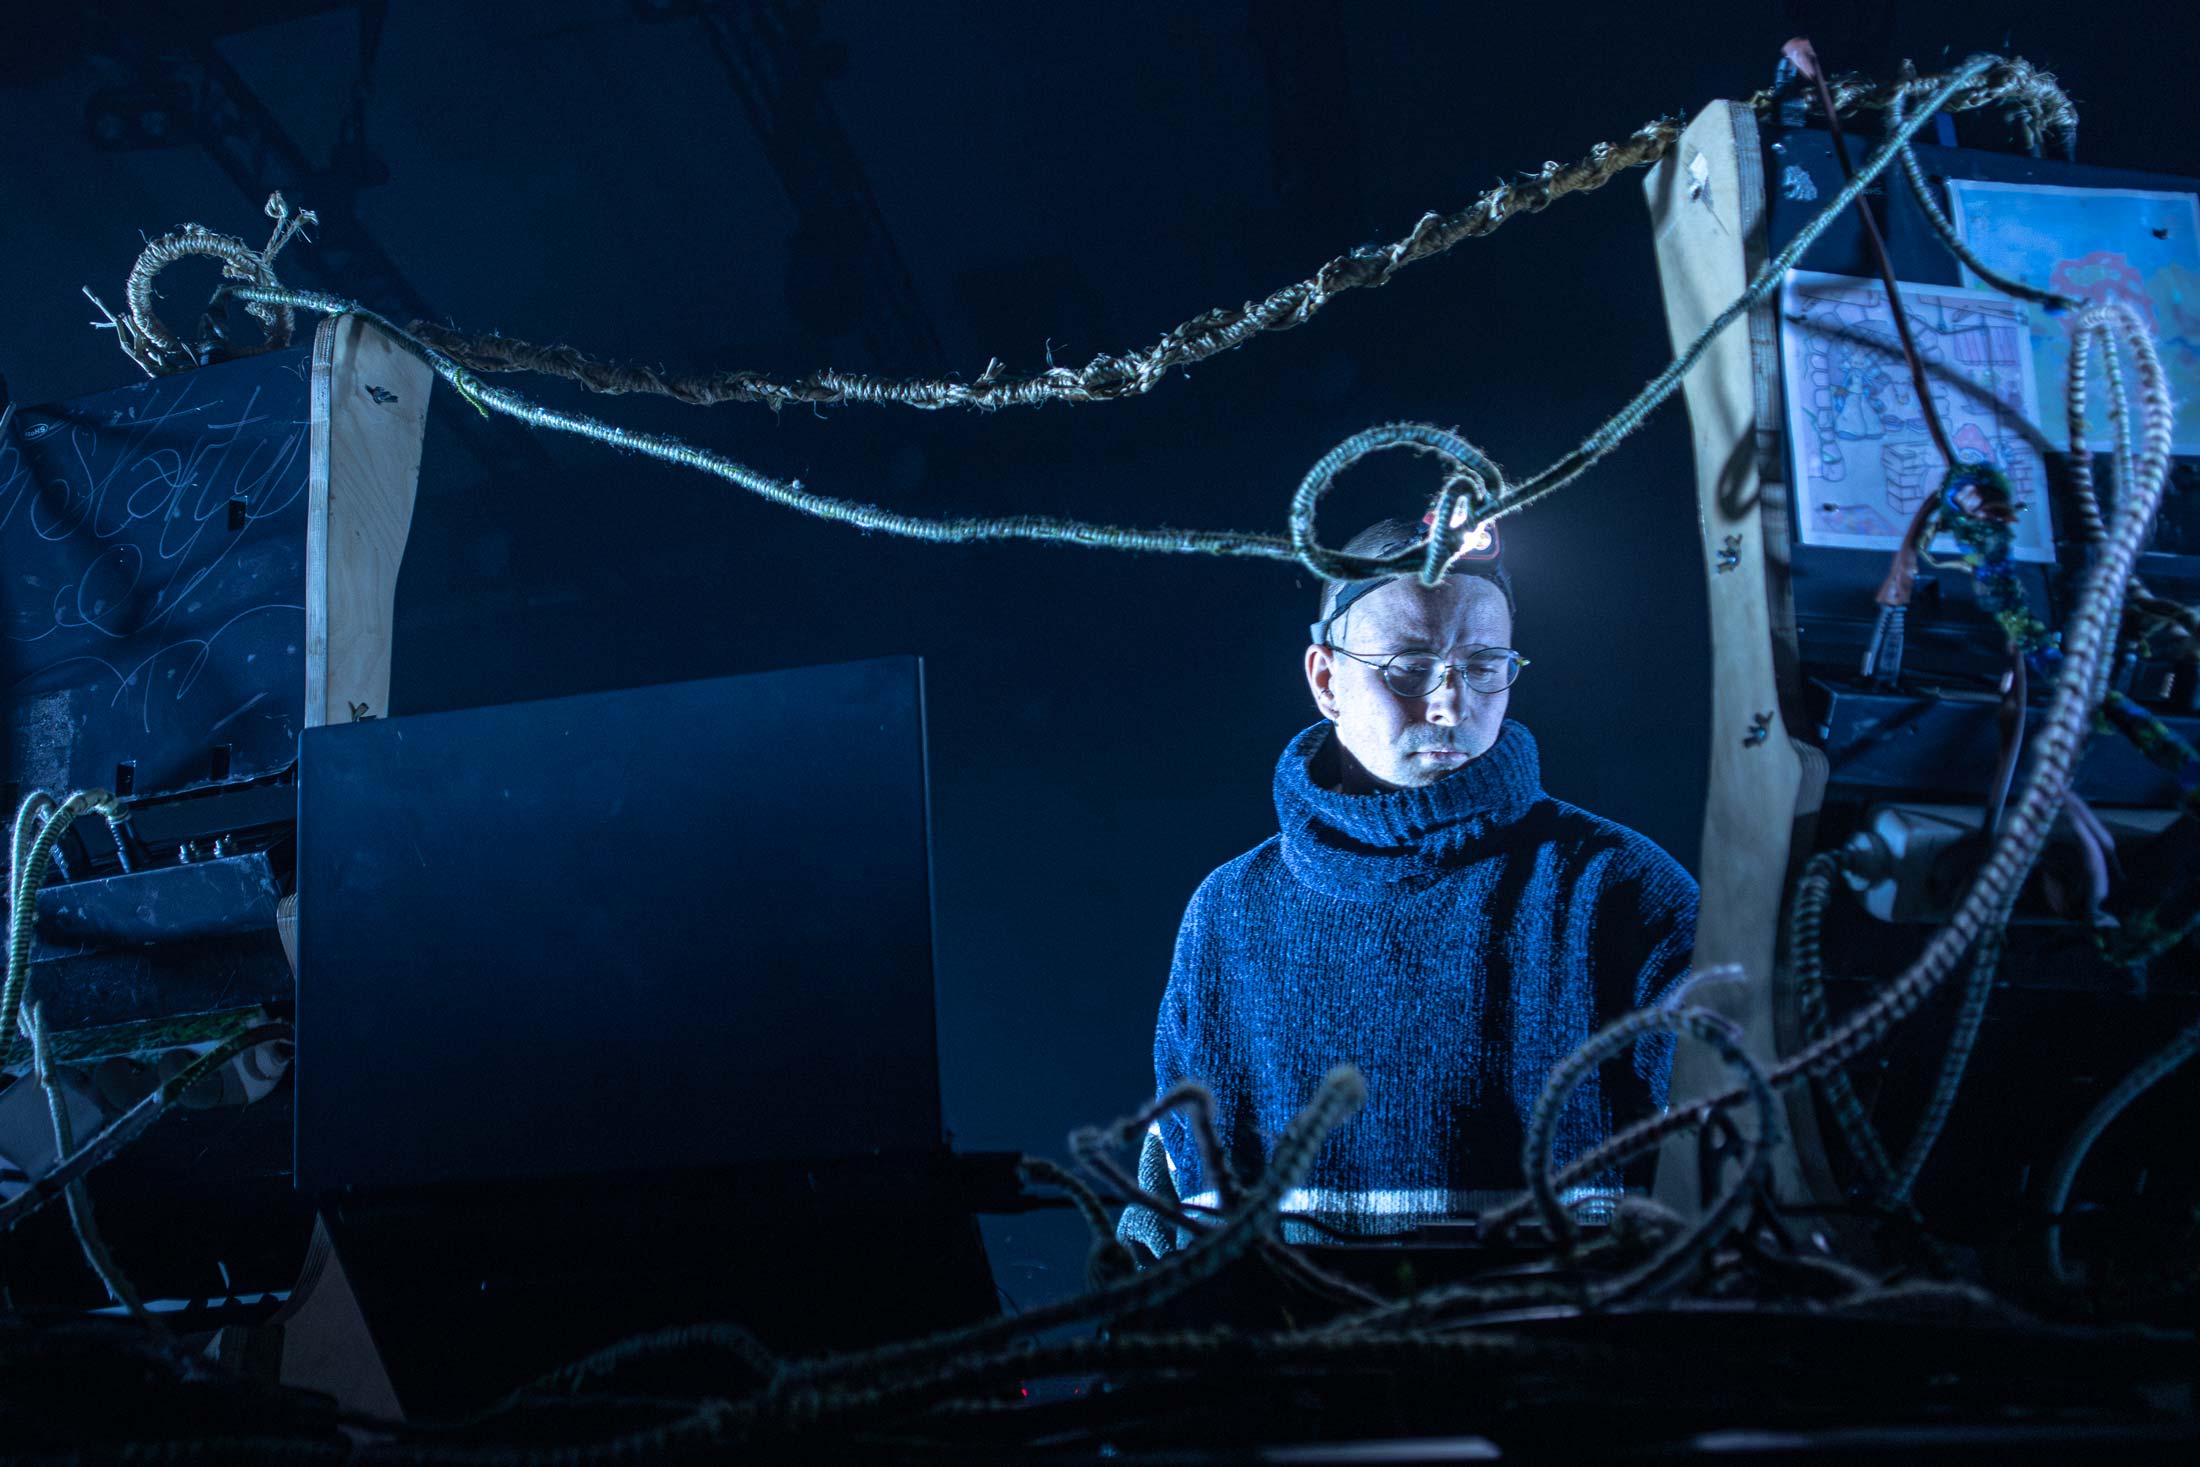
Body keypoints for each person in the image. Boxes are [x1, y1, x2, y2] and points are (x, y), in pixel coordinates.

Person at [1121, 517, 1697, 1255]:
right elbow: (1164, 1209)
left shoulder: (1620, 892)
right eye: (1409, 667)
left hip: (1557, 1330)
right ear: (1325, 679)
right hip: (1281, 1332)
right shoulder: (1230, 912)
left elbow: (1755, 1130)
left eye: (1484, 665)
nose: (1450, 704)